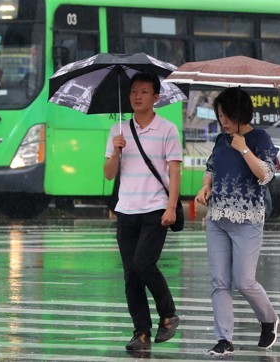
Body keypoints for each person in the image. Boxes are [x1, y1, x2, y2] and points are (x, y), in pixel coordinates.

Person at [195, 87, 279, 356]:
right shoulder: (221, 140)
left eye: (227, 115)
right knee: (219, 281)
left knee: (244, 281)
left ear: (241, 113)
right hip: (217, 218)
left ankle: (268, 319)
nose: (223, 121)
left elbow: (266, 175)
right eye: (220, 115)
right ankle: (224, 339)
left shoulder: (260, 139)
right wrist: (205, 186)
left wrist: (244, 149)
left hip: (247, 220)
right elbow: (211, 169)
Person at [104, 72, 181, 352]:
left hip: (156, 209)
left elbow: (174, 170)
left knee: (143, 265)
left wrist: (171, 206)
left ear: (156, 98)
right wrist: (116, 152)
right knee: (130, 275)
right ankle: (142, 333)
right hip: (127, 211)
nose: (137, 96)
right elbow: (109, 175)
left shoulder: (168, 129)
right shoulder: (118, 131)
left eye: (144, 92)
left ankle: (169, 313)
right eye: (134, 91)